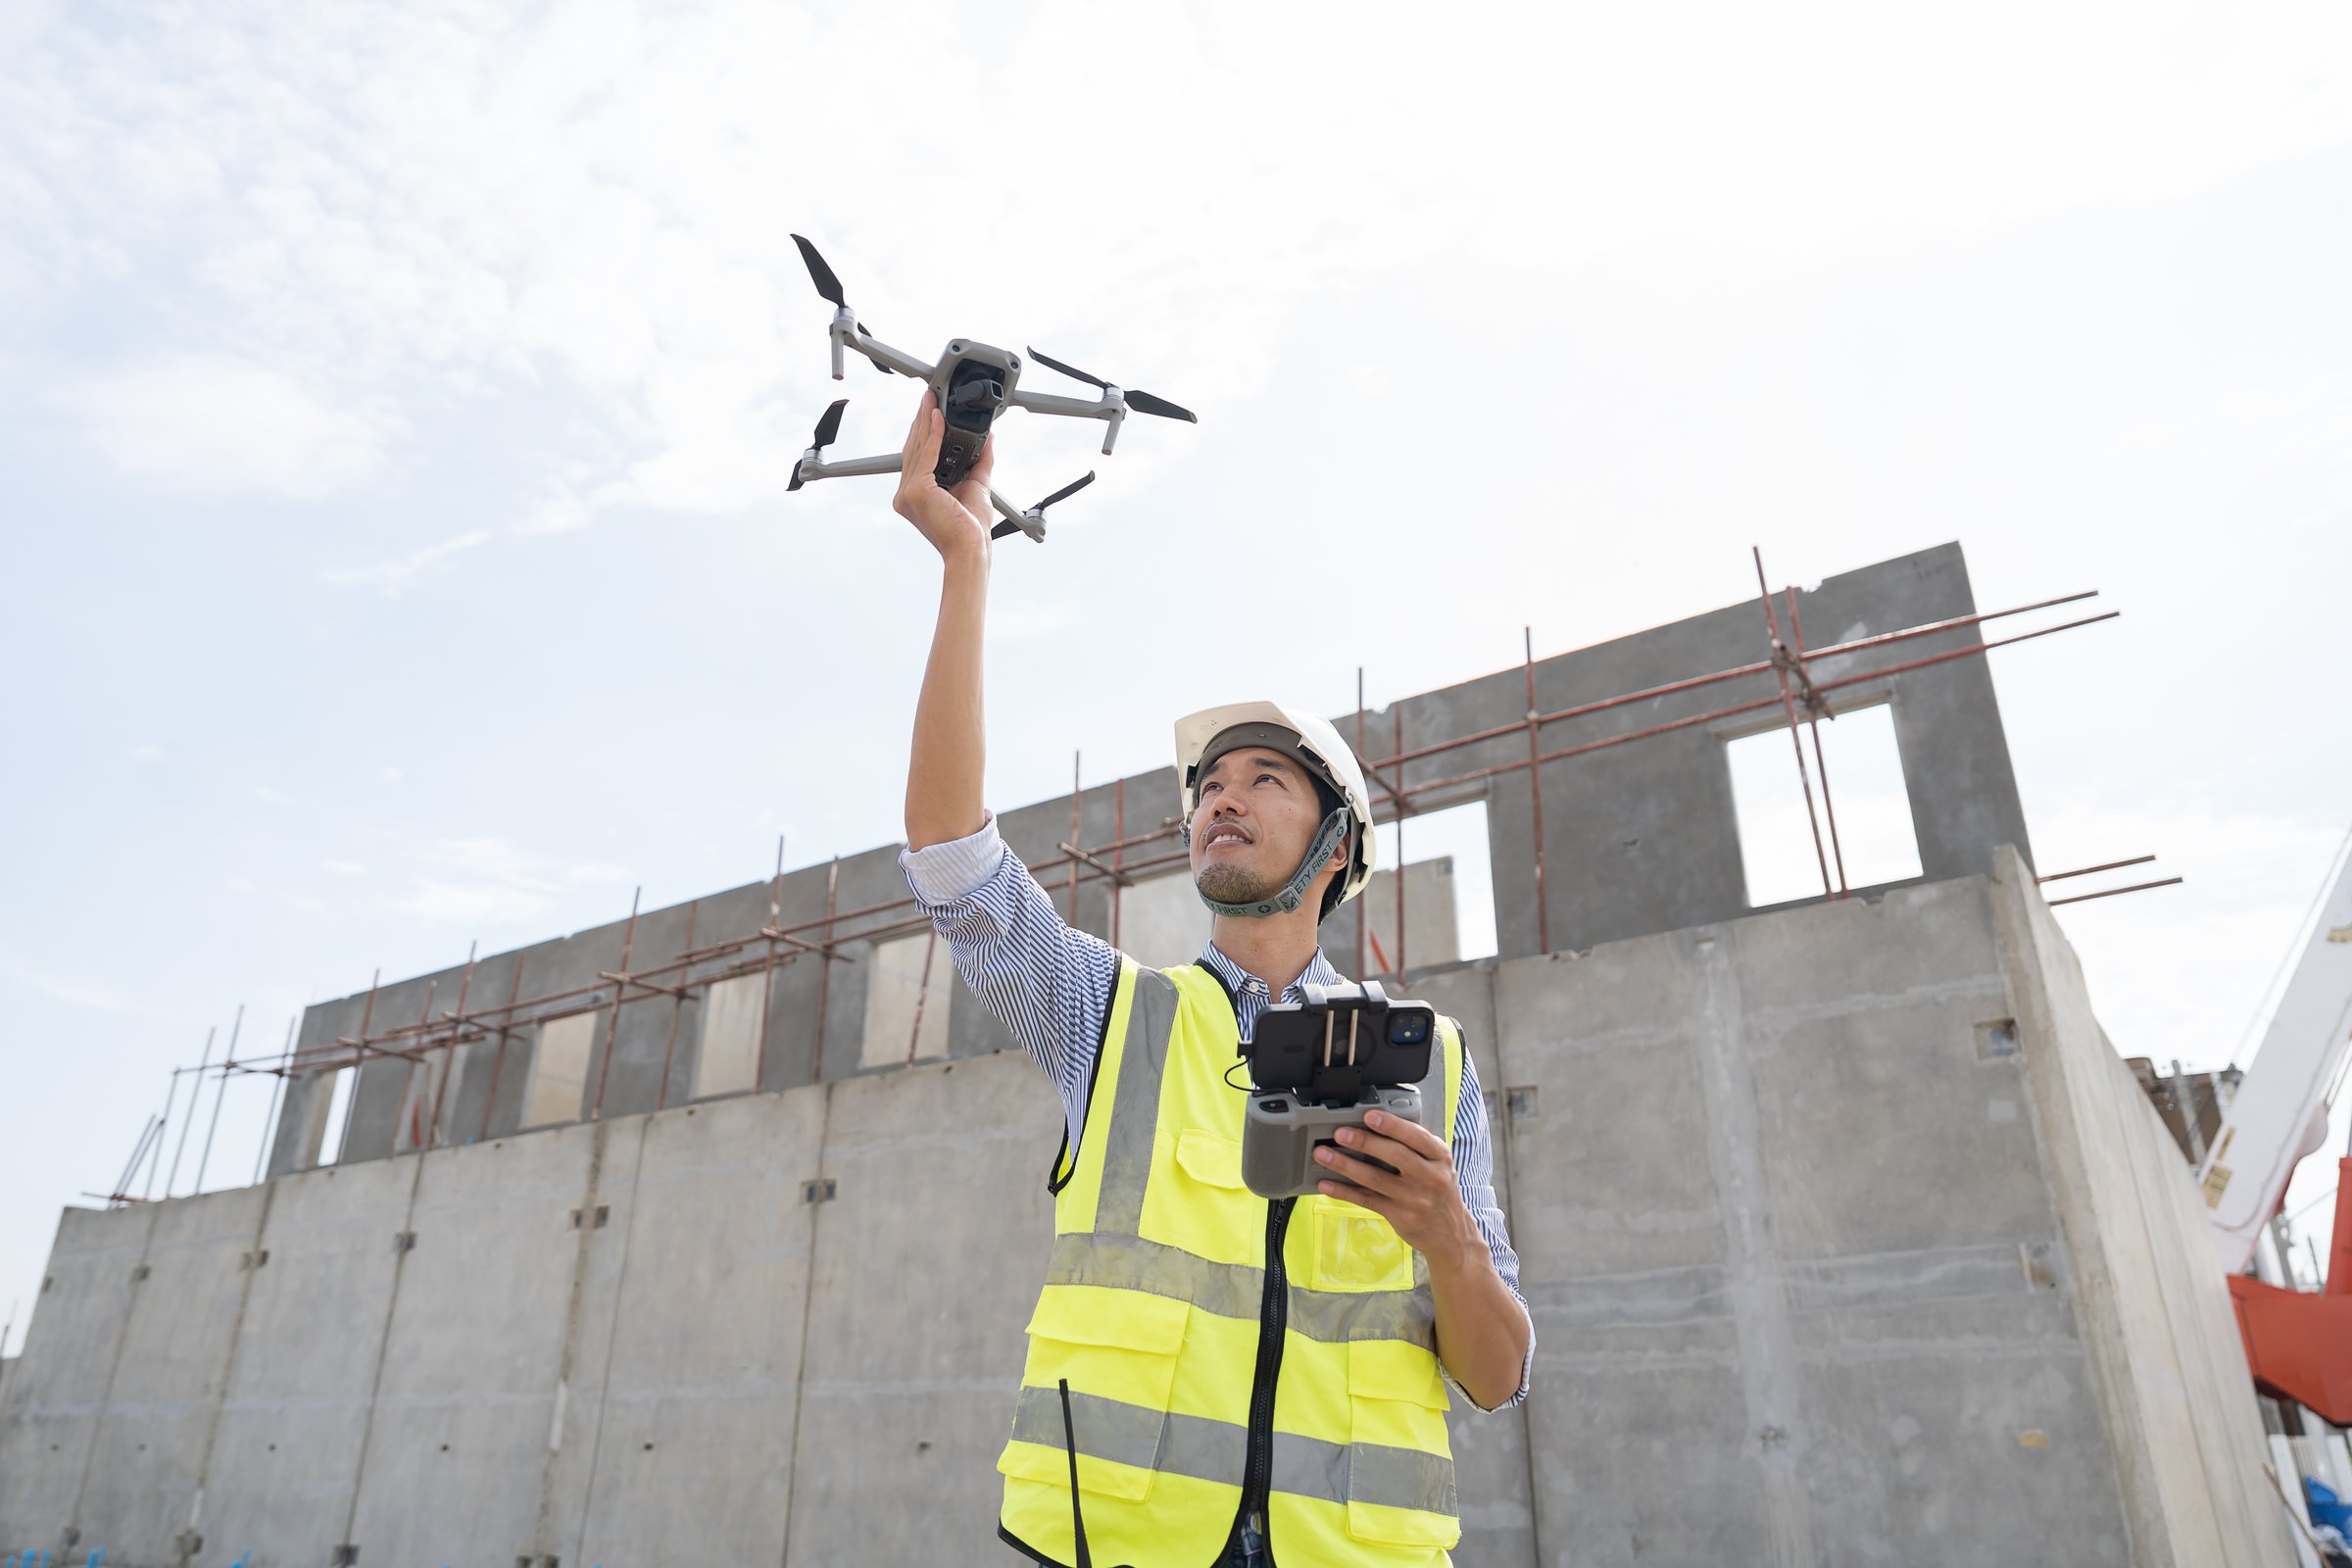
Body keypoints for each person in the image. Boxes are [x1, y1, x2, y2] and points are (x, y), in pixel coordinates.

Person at [892, 393, 1533, 1568]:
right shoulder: (1112, 1015)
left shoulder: (1432, 1064)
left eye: (1262, 781)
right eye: (1207, 786)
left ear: (1337, 849)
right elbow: (952, 856)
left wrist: (1452, 1240)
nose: (1219, 799)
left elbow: (1496, 1379)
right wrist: (966, 560)